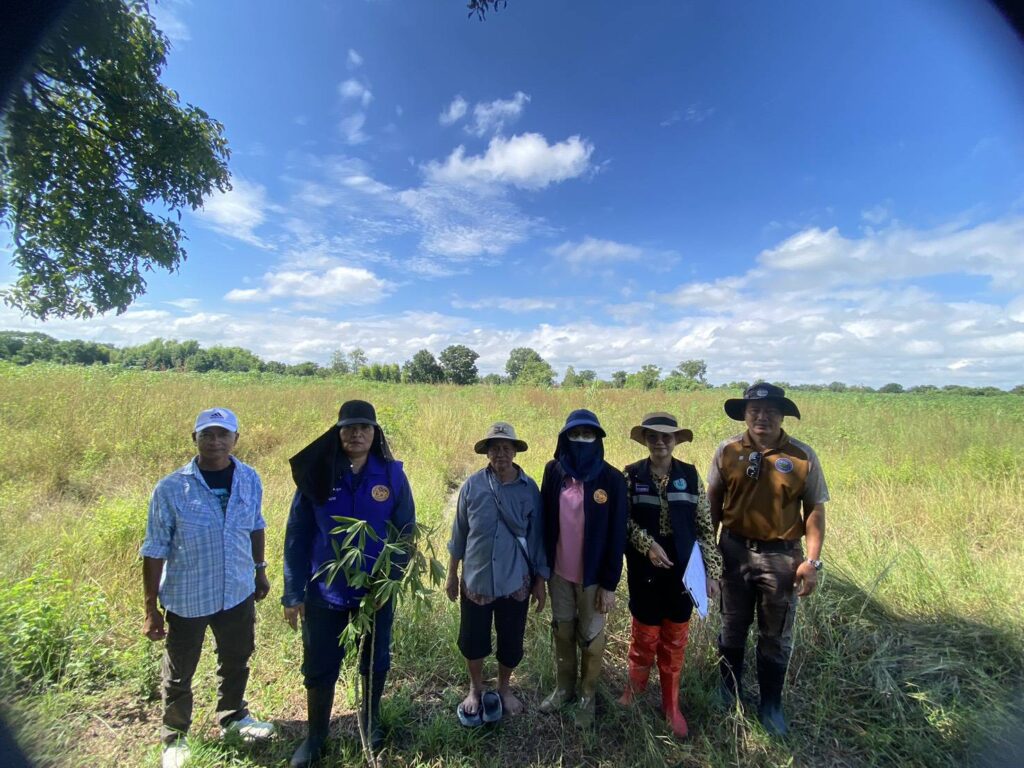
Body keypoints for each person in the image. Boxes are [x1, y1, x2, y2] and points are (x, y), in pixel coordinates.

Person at [282, 400, 415, 766]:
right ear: (337, 432)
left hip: (375, 593)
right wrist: (293, 591)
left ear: (375, 433)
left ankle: (370, 724)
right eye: (349, 428)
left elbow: (405, 533)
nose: (357, 434)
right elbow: (297, 534)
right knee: (319, 663)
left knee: (375, 659)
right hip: (325, 592)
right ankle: (316, 736)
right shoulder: (318, 473)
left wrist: (389, 581)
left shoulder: (391, 476)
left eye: (364, 428)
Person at [141, 407, 275, 768]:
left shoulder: (249, 478)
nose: (215, 441)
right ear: (195, 439)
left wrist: (259, 570)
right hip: (189, 595)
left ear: (235, 439)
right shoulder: (171, 488)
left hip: (237, 589)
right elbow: (154, 549)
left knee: (236, 657)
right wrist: (150, 608)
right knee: (180, 670)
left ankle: (233, 717)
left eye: (223, 434)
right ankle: (175, 737)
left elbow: (255, 525)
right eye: (207, 434)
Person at [707, 384, 828, 736]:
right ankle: (728, 690)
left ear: (782, 415)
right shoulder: (728, 450)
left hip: (782, 557)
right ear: (745, 414)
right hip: (733, 551)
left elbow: (814, 511)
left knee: (775, 634)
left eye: (771, 411)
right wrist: (708, 551)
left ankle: (771, 704)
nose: (762, 417)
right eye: (755, 410)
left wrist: (812, 562)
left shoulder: (802, 456)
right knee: (732, 625)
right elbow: (713, 503)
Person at [618, 413, 723, 738]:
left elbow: (704, 527)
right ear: (645, 440)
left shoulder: (690, 476)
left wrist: (712, 573)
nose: (660, 442)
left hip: (684, 573)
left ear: (676, 440)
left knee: (675, 640)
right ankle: (634, 690)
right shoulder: (631, 475)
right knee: (644, 635)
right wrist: (647, 544)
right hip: (644, 571)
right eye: (653, 436)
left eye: (667, 436)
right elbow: (621, 521)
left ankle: (671, 704)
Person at [445, 422, 549, 725]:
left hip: (515, 581)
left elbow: (537, 538)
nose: (500, 453)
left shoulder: (529, 489)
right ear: (487, 453)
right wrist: (452, 574)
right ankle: (475, 689)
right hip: (476, 579)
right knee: (473, 639)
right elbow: (459, 533)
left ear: (515, 452)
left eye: (506, 448)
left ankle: (504, 688)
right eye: (494, 448)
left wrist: (540, 582)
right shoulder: (472, 486)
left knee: (511, 641)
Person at [538, 409, 628, 728]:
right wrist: (541, 569)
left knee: (590, 638)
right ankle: (564, 689)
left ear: (598, 439)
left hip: (593, 578)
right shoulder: (554, 472)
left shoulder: (612, 480)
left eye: (588, 435)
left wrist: (609, 584)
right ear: (564, 438)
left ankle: (587, 696)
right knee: (562, 631)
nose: (581, 440)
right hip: (559, 572)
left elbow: (617, 536)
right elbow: (544, 522)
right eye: (574, 434)